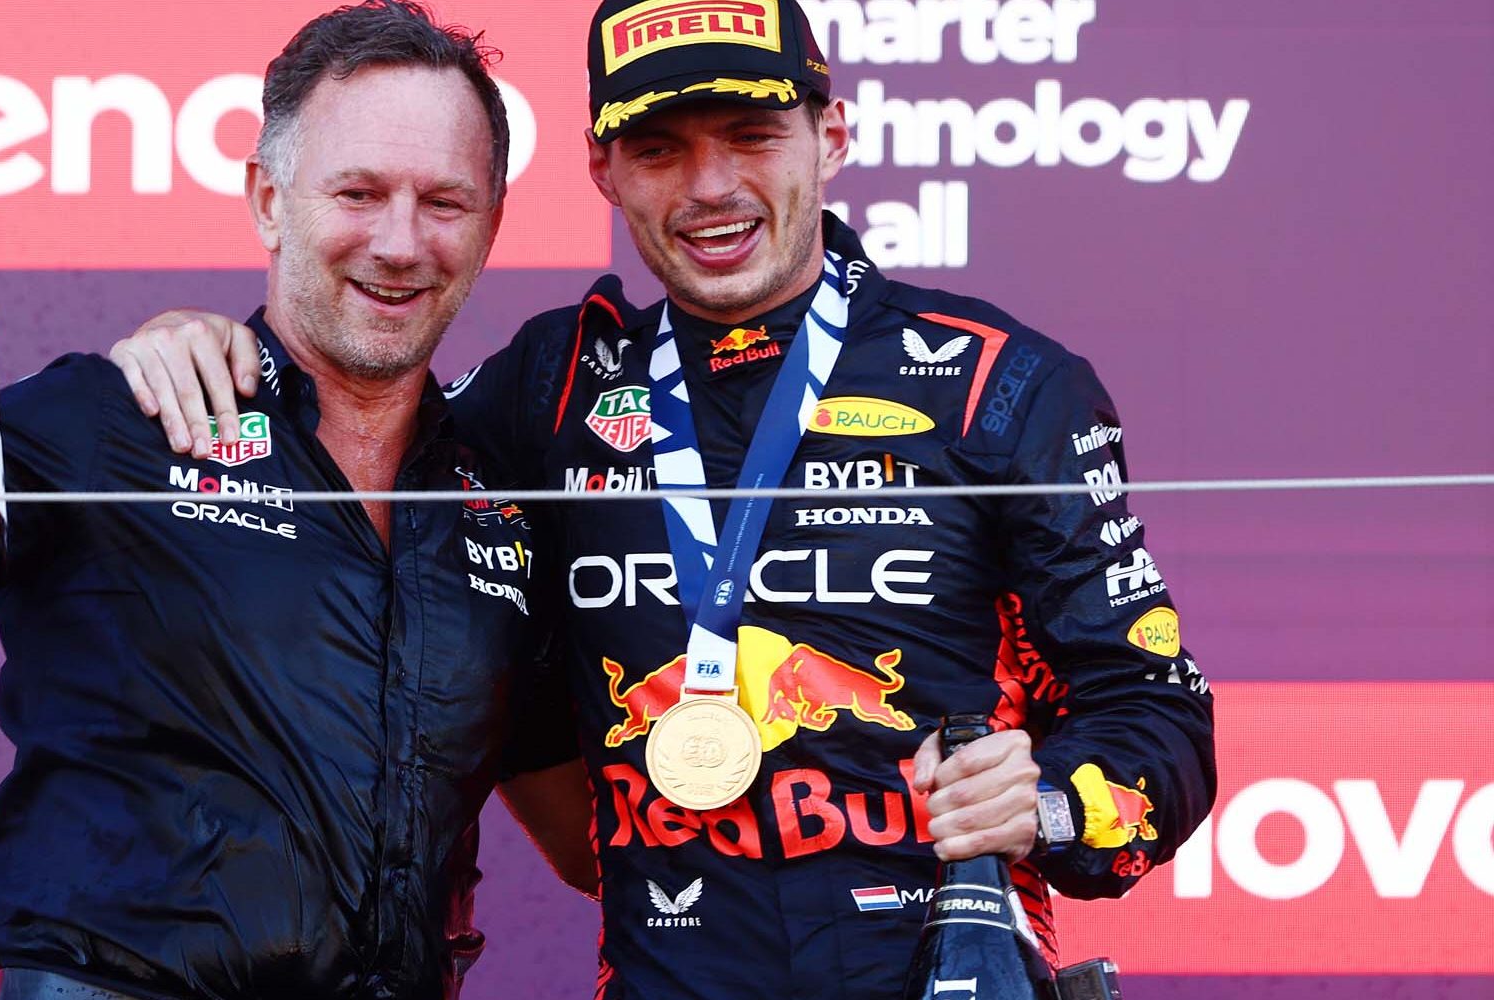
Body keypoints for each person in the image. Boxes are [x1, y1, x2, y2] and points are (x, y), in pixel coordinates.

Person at [109, 1, 1216, 996]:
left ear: (829, 138)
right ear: (603, 170)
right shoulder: (550, 389)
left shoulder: (999, 383)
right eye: (659, 148)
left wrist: (1054, 804)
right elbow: (354, 453)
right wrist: (213, 352)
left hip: (946, 979)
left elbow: (1161, 715)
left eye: (751, 136)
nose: (710, 187)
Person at [0, 3, 598, 999]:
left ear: (492, 218)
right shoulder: (120, 418)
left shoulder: (495, 499)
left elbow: (586, 842)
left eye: (445, 201)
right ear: (268, 199)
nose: (401, 243)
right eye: (358, 192)